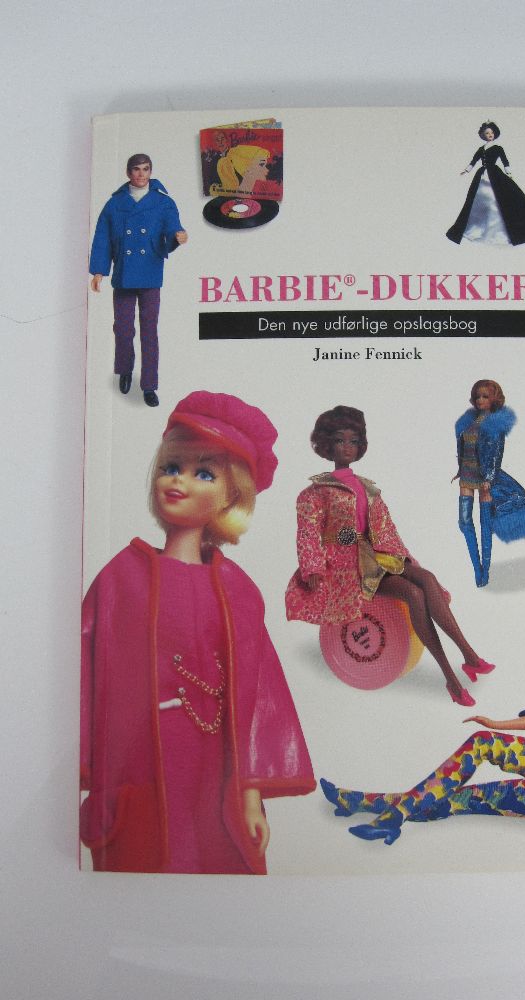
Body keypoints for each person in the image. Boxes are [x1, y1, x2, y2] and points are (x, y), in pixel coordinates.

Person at [80, 391, 315, 874]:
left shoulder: (237, 591)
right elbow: (81, 676)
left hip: (214, 767)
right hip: (137, 766)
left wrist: (250, 796)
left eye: (203, 473)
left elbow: (257, 694)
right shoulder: (121, 578)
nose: (179, 481)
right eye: (172, 467)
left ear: (232, 495)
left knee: (216, 864)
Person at [320, 579, 525, 847]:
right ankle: (383, 812)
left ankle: (365, 804)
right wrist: (497, 724)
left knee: (465, 798)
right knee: (483, 740)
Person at [285, 405, 495, 706]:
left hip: (379, 556)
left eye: (354, 441)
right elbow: (307, 533)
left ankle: (468, 655)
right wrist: (314, 568)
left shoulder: (368, 488)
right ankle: (451, 678)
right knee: (413, 594)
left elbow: (386, 528)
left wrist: (404, 557)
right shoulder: (315, 494)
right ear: (327, 444)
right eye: (340, 440)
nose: (347, 447)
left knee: (426, 578)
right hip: (348, 567)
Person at [89, 153, 188, 407]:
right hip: (124, 272)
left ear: (151, 172)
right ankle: (124, 370)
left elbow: (172, 226)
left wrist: (178, 236)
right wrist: (99, 271)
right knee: (122, 328)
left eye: (145, 169)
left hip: (150, 271)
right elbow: (102, 237)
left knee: (149, 331)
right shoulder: (115, 203)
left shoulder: (163, 202)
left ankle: (149, 385)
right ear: (128, 172)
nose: (141, 174)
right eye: (136, 169)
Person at [455, 379, 525, 587]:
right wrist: (459, 469)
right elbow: (464, 449)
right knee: (464, 522)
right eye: (478, 396)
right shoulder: (467, 422)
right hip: (466, 475)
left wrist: (489, 479)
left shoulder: (495, 424)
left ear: (494, 398)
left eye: (485, 396)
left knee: (485, 524)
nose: (480, 400)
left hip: (484, 478)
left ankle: (485, 572)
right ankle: (477, 567)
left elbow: (496, 454)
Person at [446, 120, 525, 247]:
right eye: (487, 133)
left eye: (491, 133)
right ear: (483, 135)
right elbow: (474, 160)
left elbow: (505, 161)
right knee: (478, 201)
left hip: (495, 175)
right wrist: (467, 170)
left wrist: (509, 173)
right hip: (482, 176)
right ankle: (478, 227)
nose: (490, 135)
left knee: (499, 200)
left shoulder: (498, 148)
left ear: (495, 133)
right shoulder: (481, 149)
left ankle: (501, 230)